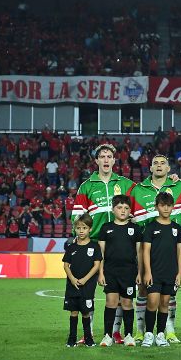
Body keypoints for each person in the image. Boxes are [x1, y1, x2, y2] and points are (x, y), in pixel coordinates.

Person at [72, 143, 135, 345]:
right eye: (103, 156)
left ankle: (115, 332)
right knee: (87, 288)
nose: (106, 159)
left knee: (115, 290)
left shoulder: (126, 184)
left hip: (120, 243)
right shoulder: (87, 186)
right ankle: (87, 331)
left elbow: (143, 198)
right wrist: (80, 238)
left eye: (109, 156)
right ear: (97, 160)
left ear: (114, 161)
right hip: (94, 242)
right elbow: (77, 216)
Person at [130, 154, 181, 343]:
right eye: (155, 163)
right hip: (144, 248)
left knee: (167, 297)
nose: (158, 165)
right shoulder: (137, 189)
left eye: (163, 163)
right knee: (143, 290)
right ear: (150, 168)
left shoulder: (180, 186)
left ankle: (168, 330)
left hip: (169, 253)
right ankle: (142, 330)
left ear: (168, 169)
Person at [97, 195, 142, 347]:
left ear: (130, 210)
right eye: (119, 207)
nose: (123, 211)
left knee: (127, 302)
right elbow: (100, 253)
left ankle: (129, 335)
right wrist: (101, 273)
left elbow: (139, 253)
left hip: (129, 272)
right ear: (113, 209)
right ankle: (107, 335)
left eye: (126, 208)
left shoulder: (135, 229)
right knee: (111, 302)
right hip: (110, 271)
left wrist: (140, 272)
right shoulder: (106, 228)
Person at [141, 192, 181, 348]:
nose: (165, 208)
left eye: (168, 205)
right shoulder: (151, 227)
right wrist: (147, 272)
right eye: (162, 205)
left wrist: (179, 273)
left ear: (172, 207)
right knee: (152, 301)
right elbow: (145, 251)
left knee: (165, 303)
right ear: (157, 207)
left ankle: (160, 334)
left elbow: (179, 251)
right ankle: (148, 334)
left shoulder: (176, 228)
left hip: (170, 272)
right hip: (154, 272)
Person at [63, 213, 102, 347]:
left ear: (90, 229)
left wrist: (85, 279)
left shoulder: (95, 246)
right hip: (72, 285)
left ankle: (88, 339)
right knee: (73, 312)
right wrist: (72, 279)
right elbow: (66, 265)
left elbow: (97, 265)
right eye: (78, 228)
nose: (81, 231)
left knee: (86, 312)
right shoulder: (71, 247)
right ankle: (72, 338)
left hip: (87, 285)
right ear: (75, 229)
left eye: (84, 228)